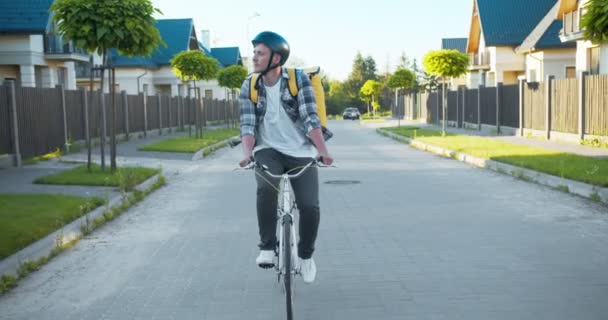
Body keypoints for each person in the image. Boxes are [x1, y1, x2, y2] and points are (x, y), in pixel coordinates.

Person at [238, 31, 333, 284]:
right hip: (267, 149)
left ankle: (305, 255)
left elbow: (310, 117)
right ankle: (267, 247)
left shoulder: (297, 80)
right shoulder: (250, 84)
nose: (254, 57)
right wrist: (247, 155)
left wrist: (323, 152)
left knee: (310, 206)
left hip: (301, 150)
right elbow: (247, 125)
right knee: (266, 187)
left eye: (260, 53)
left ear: (276, 57)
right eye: (254, 52)